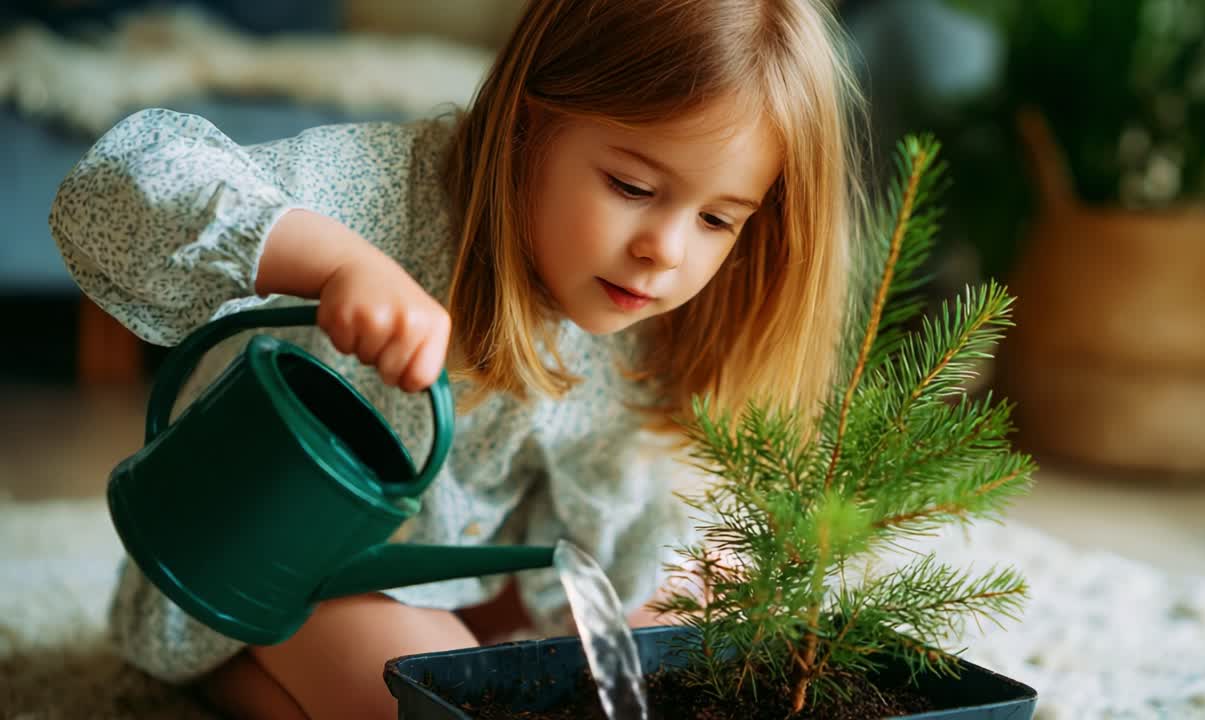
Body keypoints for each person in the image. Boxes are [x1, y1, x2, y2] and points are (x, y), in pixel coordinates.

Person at [49, 0, 866, 717]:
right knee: (432, 686)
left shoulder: (641, 317)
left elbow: (606, 521)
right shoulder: (391, 190)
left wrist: (668, 599)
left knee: (696, 625)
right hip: (264, 559)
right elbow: (119, 181)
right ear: (527, 122)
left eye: (719, 220)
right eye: (630, 185)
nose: (665, 251)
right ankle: (224, 669)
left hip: (461, 576)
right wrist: (331, 263)